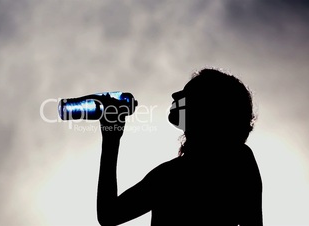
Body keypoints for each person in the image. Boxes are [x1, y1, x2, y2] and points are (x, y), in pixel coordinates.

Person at [97, 68, 263, 225]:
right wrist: (111, 137)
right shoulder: (170, 174)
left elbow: (109, 215)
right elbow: (109, 215)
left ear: (208, 106)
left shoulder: (172, 176)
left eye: (188, 94)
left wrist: (111, 139)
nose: (175, 95)